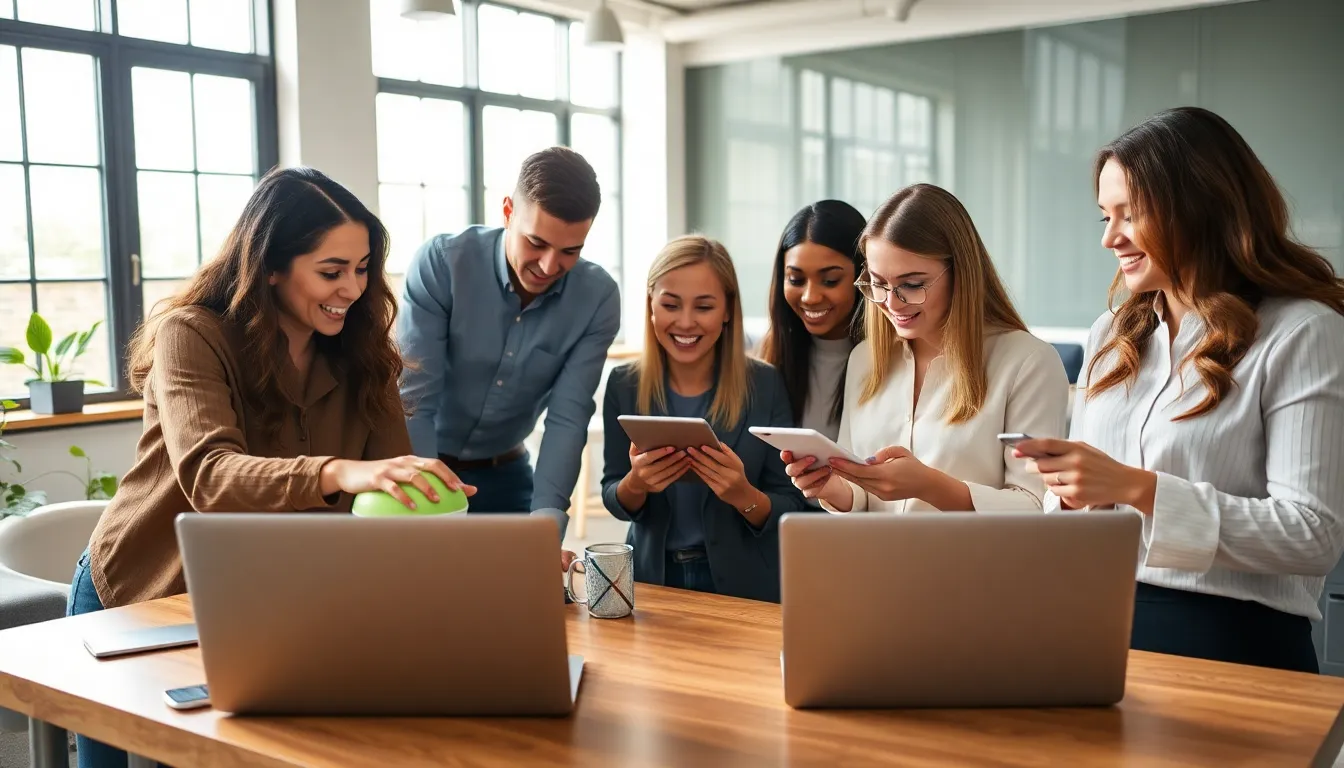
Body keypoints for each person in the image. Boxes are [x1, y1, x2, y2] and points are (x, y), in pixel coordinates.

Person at [68, 166, 469, 768]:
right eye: (331, 272)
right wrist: (336, 472)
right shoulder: (192, 334)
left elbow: (395, 493)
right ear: (271, 265)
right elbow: (209, 476)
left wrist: (488, 560)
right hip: (145, 592)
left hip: (273, 606)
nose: (353, 289)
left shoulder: (365, 356)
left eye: (362, 269)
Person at [1014, 107, 1344, 673]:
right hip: (1093, 623)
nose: (1111, 238)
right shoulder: (1111, 334)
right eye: (1104, 218)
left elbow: (1312, 536)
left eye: (1130, 215)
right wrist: (1068, 497)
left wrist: (1138, 488)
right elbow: (1083, 510)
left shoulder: (1302, 330)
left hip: (1234, 641)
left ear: (1201, 207)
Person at [785, 184, 1069, 514]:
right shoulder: (865, 359)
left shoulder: (1028, 363)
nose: (891, 303)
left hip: (973, 566)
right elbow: (862, 496)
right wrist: (833, 487)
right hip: (874, 563)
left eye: (912, 285)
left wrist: (929, 486)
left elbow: (1036, 508)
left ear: (961, 273)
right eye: (878, 283)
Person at [397, 147, 619, 538]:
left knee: (531, 592)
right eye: (536, 242)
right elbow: (415, 401)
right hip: (422, 473)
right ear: (507, 211)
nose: (550, 266)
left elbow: (567, 419)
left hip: (509, 476)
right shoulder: (443, 263)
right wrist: (431, 507)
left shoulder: (597, 297)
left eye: (570, 251)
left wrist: (547, 529)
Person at [598, 235, 807, 602]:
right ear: (651, 305)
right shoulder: (624, 384)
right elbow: (614, 494)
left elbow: (790, 503)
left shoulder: (766, 384)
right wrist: (637, 483)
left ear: (727, 310)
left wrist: (742, 495)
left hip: (745, 586)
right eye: (671, 304)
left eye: (704, 307)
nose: (685, 322)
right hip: (653, 581)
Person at [758, 200, 867, 441]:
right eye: (796, 280)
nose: (810, 297)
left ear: (864, 276)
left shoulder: (892, 362)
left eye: (830, 280)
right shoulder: (769, 361)